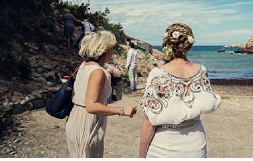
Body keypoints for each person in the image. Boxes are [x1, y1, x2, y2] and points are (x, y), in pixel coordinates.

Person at [139, 23, 221, 158]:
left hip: (164, 146)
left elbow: (149, 122)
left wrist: (141, 156)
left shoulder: (158, 74)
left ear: (167, 44)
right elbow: (209, 101)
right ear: (189, 44)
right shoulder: (201, 70)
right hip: (196, 143)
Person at [65, 31, 137, 158]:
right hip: (87, 122)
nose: (113, 52)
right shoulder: (97, 71)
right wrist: (122, 110)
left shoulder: (84, 65)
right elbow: (91, 106)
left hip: (76, 117)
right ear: (105, 49)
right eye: (112, 48)